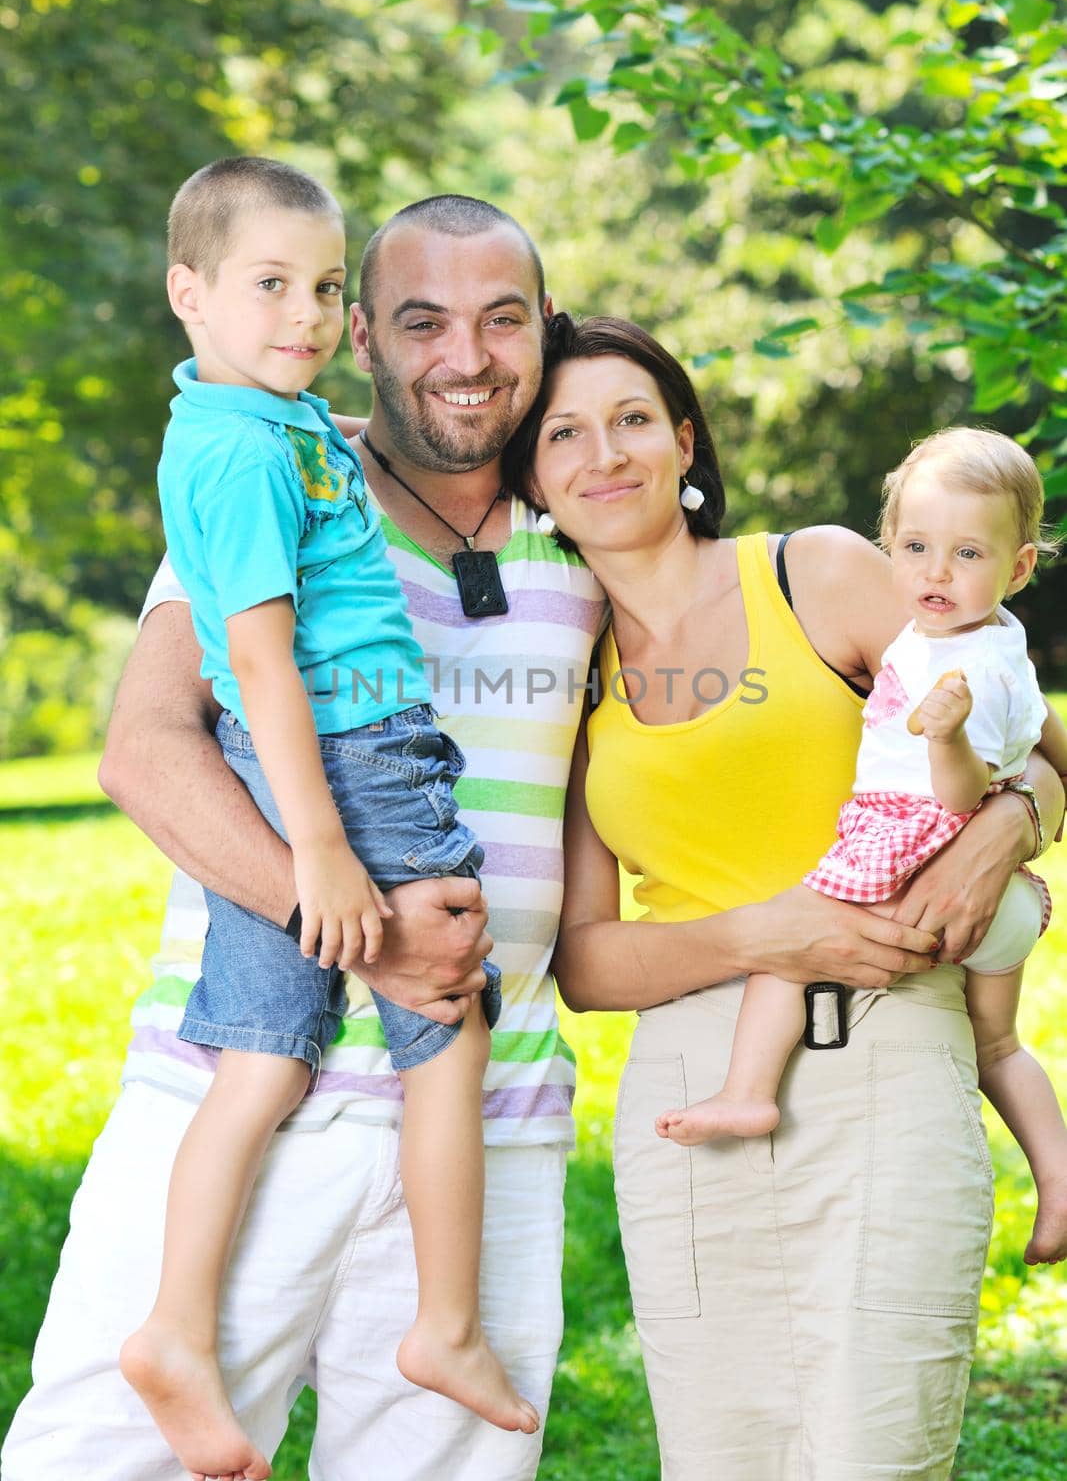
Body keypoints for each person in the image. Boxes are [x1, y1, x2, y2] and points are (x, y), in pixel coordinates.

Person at [3, 208, 1055, 1481]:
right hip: (244, 1079)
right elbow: (146, 751)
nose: (466, 353)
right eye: (419, 320)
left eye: (502, 317)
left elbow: (975, 702)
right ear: (358, 336)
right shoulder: (290, 484)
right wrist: (345, 927)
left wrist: (1001, 819)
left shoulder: (584, 541)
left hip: (491, 1118)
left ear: (542, 328)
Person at [504, 312, 1066, 1479]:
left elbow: (1043, 747)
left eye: (630, 420)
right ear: (534, 479)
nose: (601, 452)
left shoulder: (810, 571)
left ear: (683, 440)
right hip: (689, 1096)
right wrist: (767, 932)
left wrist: (1007, 823)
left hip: (887, 1059)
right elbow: (588, 963)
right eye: (562, 433)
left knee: (879, 1452)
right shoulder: (565, 666)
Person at [118, 157, 540, 1481]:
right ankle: (447, 1326)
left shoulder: (269, 424)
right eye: (267, 288)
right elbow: (256, 664)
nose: (300, 317)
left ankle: (177, 1331)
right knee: (448, 1026)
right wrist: (320, 852)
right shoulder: (242, 449)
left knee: (265, 1057)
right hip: (352, 757)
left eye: (317, 288)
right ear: (187, 293)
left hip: (328, 759)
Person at [651, 426, 1067, 1265]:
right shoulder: (984, 639)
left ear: (1017, 568)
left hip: (915, 850)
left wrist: (943, 735)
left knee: (783, 949)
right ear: (887, 548)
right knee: (997, 1046)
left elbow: (960, 794)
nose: (935, 572)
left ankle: (746, 1092)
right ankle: (1057, 1181)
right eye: (914, 547)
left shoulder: (963, 672)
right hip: (1004, 898)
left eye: (964, 553)